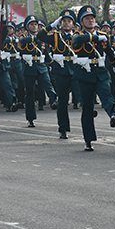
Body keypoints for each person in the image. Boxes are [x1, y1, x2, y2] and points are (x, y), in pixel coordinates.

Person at [71, 5, 115, 151]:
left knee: (106, 93)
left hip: (100, 72)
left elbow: (109, 51)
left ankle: (113, 114)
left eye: (92, 18)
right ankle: (88, 139)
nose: (90, 20)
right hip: (84, 74)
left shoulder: (103, 35)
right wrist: (94, 37)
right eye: (87, 18)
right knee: (87, 108)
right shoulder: (77, 35)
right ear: (81, 21)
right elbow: (77, 42)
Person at [37, 9, 77, 139]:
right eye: (64, 21)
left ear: (73, 23)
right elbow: (40, 36)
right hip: (61, 71)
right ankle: (63, 128)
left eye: (69, 21)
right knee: (63, 101)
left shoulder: (78, 35)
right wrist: (51, 26)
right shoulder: (55, 36)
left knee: (83, 95)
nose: (66, 23)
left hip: (76, 69)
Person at [18, 15, 58, 128]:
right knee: (29, 93)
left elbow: (46, 55)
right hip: (29, 68)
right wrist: (39, 37)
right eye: (31, 24)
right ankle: (30, 118)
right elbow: (22, 41)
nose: (34, 26)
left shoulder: (42, 39)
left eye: (36, 24)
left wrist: (52, 66)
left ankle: (54, 100)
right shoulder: (24, 38)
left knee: (47, 83)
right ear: (27, 27)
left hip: (41, 66)